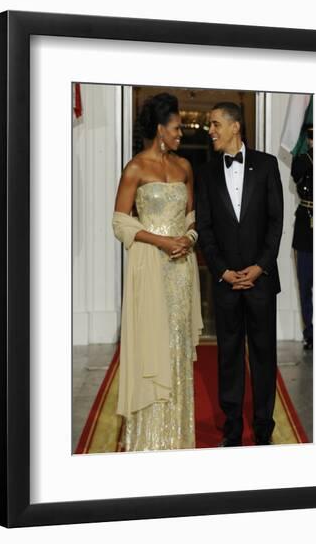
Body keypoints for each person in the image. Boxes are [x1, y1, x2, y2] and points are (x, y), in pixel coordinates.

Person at [112, 93, 203, 452]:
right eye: (177, 128)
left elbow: (193, 216)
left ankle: (177, 436)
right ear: (160, 129)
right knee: (152, 343)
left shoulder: (184, 167)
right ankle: (147, 438)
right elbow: (120, 222)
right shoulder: (135, 168)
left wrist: (189, 238)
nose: (182, 134)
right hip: (149, 267)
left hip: (181, 271)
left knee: (177, 345)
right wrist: (162, 242)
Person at [196, 102, 283, 446]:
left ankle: (263, 429)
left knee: (263, 355)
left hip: (261, 280)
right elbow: (205, 228)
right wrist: (223, 271)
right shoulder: (206, 173)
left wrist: (260, 267)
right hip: (226, 283)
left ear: (235, 127)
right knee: (229, 356)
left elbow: (276, 221)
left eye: (216, 124)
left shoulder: (266, 165)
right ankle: (231, 428)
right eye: (210, 125)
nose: (211, 130)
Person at [291, 125, 313, 350]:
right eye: (311, 135)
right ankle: (310, 332)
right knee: (305, 282)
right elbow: (296, 173)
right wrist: (312, 153)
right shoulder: (302, 159)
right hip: (306, 225)